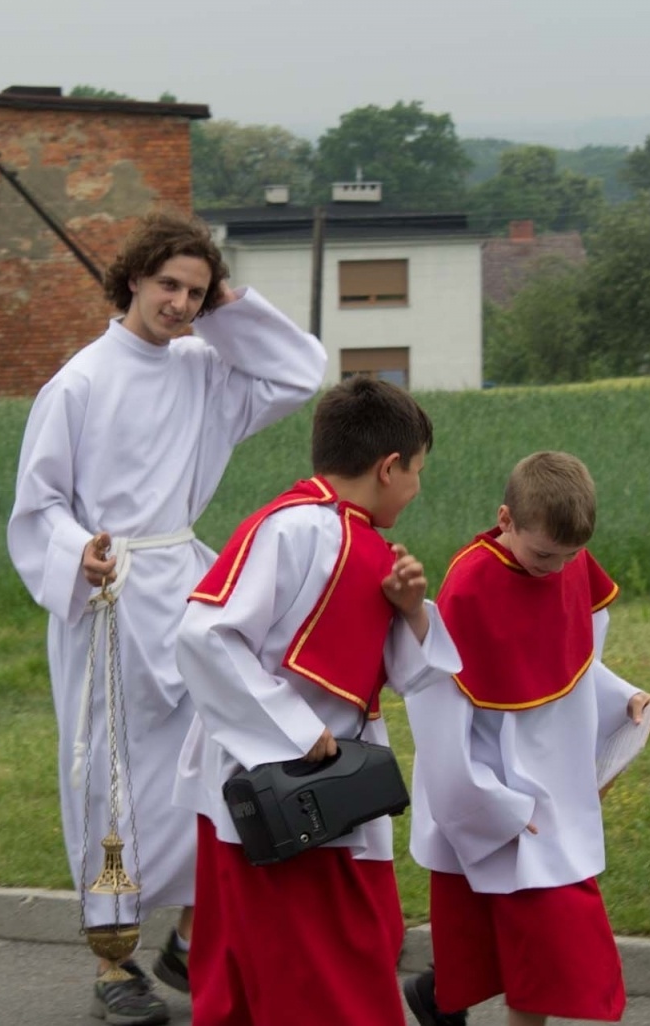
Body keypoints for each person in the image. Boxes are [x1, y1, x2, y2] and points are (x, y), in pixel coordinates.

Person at [7, 209, 326, 1025]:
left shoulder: (201, 369)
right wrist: (78, 551)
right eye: (168, 286)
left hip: (186, 585)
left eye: (195, 291)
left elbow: (299, 371)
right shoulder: (76, 382)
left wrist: (231, 306)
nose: (180, 304)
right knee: (111, 779)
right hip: (107, 599)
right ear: (132, 282)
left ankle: (191, 934)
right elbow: (36, 506)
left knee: (212, 760)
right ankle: (114, 963)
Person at [171, 376, 461, 1025]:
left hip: (330, 792)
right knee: (321, 975)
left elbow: (403, 673)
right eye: (417, 471)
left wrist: (410, 610)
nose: (416, 488)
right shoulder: (293, 529)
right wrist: (292, 731)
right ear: (389, 467)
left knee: (310, 963)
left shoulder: (363, 541)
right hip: (286, 792)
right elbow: (203, 634)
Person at [403, 451, 650, 1026]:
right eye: (544, 553)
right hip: (502, 788)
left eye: (570, 556)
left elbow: (570, 660)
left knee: (532, 953)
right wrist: (487, 802)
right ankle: (445, 997)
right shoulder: (470, 586)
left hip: (553, 779)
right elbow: (439, 708)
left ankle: (441, 999)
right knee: (542, 957)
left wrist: (626, 699)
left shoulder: (565, 561)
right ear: (506, 519)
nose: (556, 567)